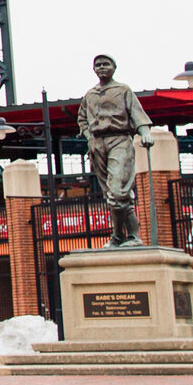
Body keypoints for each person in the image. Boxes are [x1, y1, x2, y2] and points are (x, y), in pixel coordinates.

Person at [78, 55, 155, 247]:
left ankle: (117, 236)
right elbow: (82, 120)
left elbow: (137, 114)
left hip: (119, 140)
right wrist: (89, 139)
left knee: (117, 192)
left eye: (106, 64)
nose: (101, 67)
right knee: (113, 196)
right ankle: (132, 237)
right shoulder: (90, 94)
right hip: (97, 144)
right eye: (98, 65)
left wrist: (144, 132)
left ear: (114, 67)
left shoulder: (123, 90)